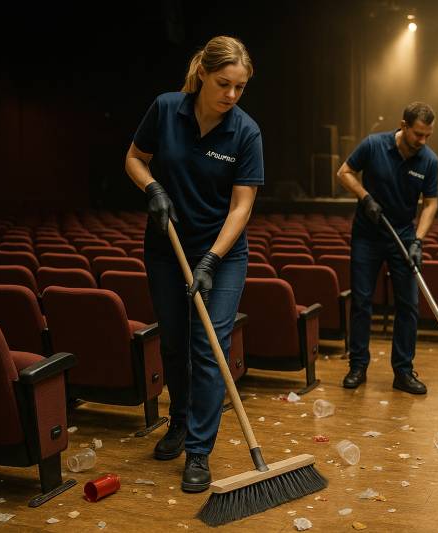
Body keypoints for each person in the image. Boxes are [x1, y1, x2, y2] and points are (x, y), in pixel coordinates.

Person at [124, 36, 263, 492]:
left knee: (209, 347)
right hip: (167, 249)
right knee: (174, 345)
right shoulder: (166, 109)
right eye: (224, 84)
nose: (231, 95)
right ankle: (179, 423)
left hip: (221, 254)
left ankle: (199, 451)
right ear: (202, 72)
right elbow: (134, 159)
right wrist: (153, 189)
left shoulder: (245, 131)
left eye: (240, 87)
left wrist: (211, 258)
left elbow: (241, 208)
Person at [336, 102, 438, 394]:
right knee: (362, 301)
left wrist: (418, 240)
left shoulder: (429, 161)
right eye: (418, 134)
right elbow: (343, 172)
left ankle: (403, 372)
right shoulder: (373, 145)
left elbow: (431, 203)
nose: (422, 141)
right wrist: (365, 197)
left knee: (408, 305)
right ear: (403, 126)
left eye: (427, 136)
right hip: (367, 235)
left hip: (403, 236)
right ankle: (358, 366)